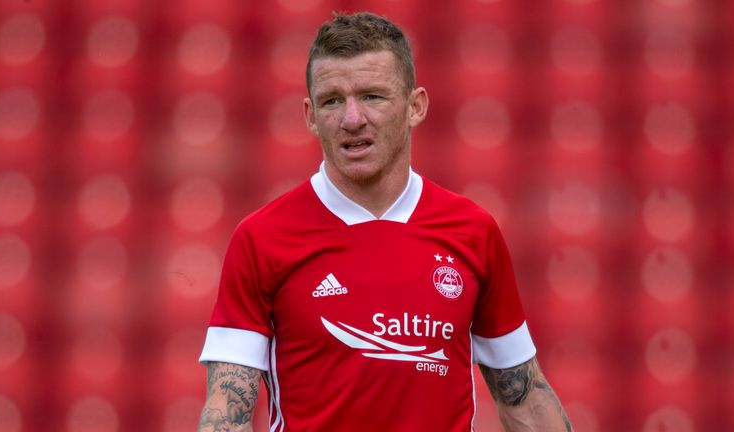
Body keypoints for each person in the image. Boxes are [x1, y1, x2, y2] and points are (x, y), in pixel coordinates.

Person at [197, 11, 572, 432]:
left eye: (372, 97)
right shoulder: (262, 238)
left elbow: (524, 400)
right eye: (332, 100)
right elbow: (226, 412)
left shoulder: (473, 232)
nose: (352, 119)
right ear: (309, 115)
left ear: (416, 106)